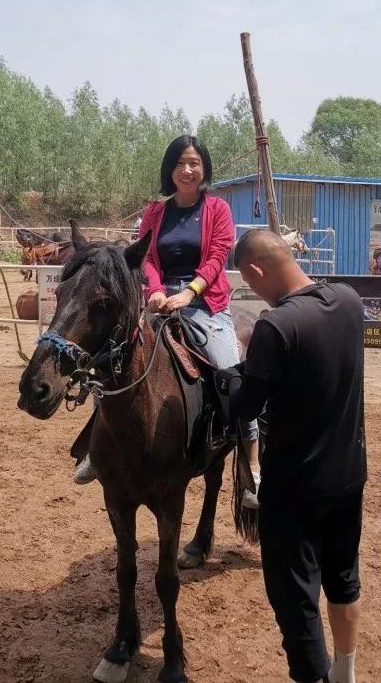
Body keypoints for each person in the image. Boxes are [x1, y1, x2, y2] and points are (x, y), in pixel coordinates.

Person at [73, 135, 260, 503]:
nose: (187, 170)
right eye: (180, 163)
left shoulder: (218, 210)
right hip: (157, 302)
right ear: (169, 169)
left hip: (205, 304)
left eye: (194, 163)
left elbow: (217, 257)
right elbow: (146, 258)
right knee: (112, 359)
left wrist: (189, 293)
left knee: (230, 372)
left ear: (204, 168)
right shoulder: (155, 213)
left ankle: (250, 461)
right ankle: (97, 447)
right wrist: (156, 291)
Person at [227, 228, 367, 683]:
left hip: (294, 489)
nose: (255, 291)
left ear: (255, 270)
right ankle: (345, 671)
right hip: (348, 475)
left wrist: (233, 379)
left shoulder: (275, 326)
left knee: (297, 600)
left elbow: (247, 406)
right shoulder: (349, 301)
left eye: (250, 281)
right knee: (343, 580)